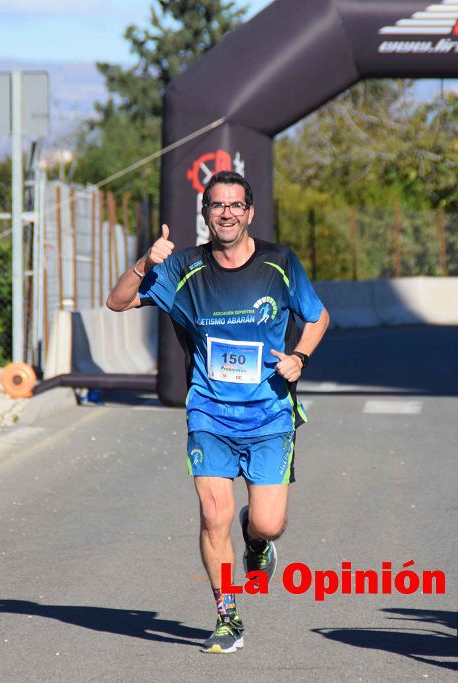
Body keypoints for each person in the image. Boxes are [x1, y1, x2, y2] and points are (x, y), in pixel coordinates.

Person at [106, 170, 329, 654]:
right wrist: (145, 261)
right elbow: (117, 301)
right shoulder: (183, 268)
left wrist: (299, 358)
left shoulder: (280, 262)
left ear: (249, 213)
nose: (226, 213)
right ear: (205, 214)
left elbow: (317, 316)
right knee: (213, 515)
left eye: (235, 205)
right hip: (209, 411)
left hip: (270, 412)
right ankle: (227, 615)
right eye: (216, 206)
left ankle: (257, 542)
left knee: (268, 523)